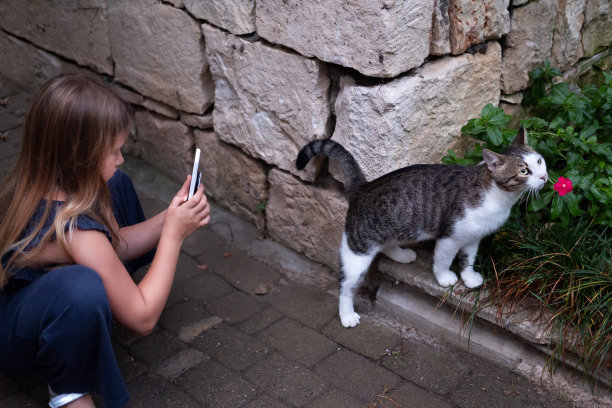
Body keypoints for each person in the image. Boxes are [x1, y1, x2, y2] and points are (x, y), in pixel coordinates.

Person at [0, 74, 211, 407]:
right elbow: (142, 319)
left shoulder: (55, 178)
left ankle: (108, 299)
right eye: (114, 151)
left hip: (38, 297)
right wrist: (173, 235)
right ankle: (68, 385)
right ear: (78, 156)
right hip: (16, 335)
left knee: (118, 183)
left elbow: (113, 246)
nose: (121, 157)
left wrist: (170, 217)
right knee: (85, 289)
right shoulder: (77, 231)